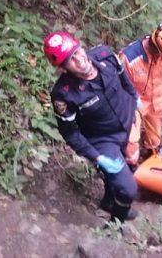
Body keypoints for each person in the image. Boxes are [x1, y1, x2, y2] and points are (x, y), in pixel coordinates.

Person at [43, 30, 139, 222]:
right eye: (71, 60)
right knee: (128, 189)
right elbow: (69, 132)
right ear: (63, 69)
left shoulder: (105, 55)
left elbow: (123, 76)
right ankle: (116, 225)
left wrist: (134, 96)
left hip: (127, 121)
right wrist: (97, 157)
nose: (80, 60)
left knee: (128, 166)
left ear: (82, 46)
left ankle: (109, 201)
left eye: (77, 51)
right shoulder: (64, 94)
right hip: (103, 139)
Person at [119, 23, 162, 153]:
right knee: (131, 139)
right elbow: (120, 84)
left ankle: (150, 153)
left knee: (154, 138)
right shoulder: (129, 59)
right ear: (157, 49)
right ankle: (130, 160)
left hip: (159, 101)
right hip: (135, 102)